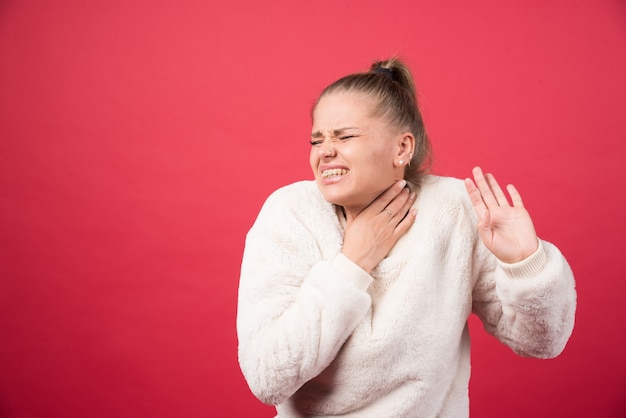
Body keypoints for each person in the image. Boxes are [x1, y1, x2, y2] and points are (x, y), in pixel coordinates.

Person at [236, 57, 576, 417]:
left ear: (402, 148)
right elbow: (267, 377)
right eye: (316, 139)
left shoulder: (453, 210)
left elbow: (543, 342)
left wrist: (526, 263)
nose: (325, 151)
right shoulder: (289, 213)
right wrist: (352, 264)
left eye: (345, 136)